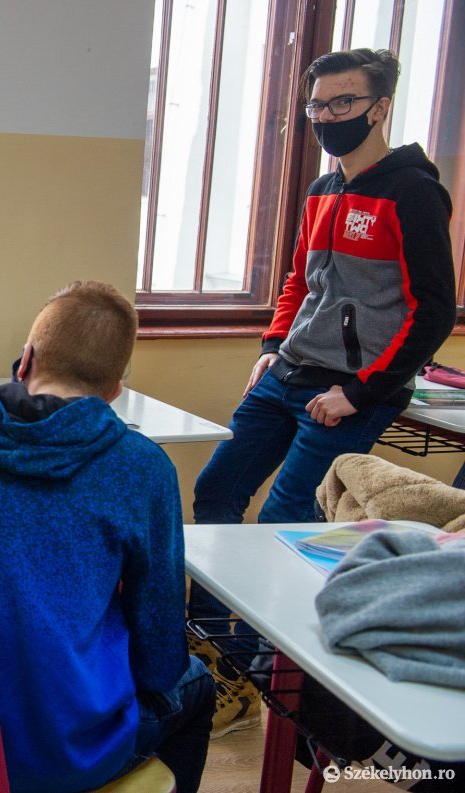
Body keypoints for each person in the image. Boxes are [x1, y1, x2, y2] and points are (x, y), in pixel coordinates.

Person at [188, 47, 457, 738]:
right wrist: (270, 348)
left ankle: (261, 675)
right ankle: (229, 653)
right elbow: (300, 283)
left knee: (283, 523)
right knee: (215, 492)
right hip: (286, 375)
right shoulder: (320, 191)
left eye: (343, 103)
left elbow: (432, 311)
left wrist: (362, 391)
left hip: (346, 395)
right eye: (317, 106)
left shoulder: (413, 192)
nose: (328, 117)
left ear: (380, 106)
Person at [0, 282, 213, 793]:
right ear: (113, 392)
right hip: (62, 756)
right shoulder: (141, 468)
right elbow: (160, 652)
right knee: (197, 685)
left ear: (25, 360)